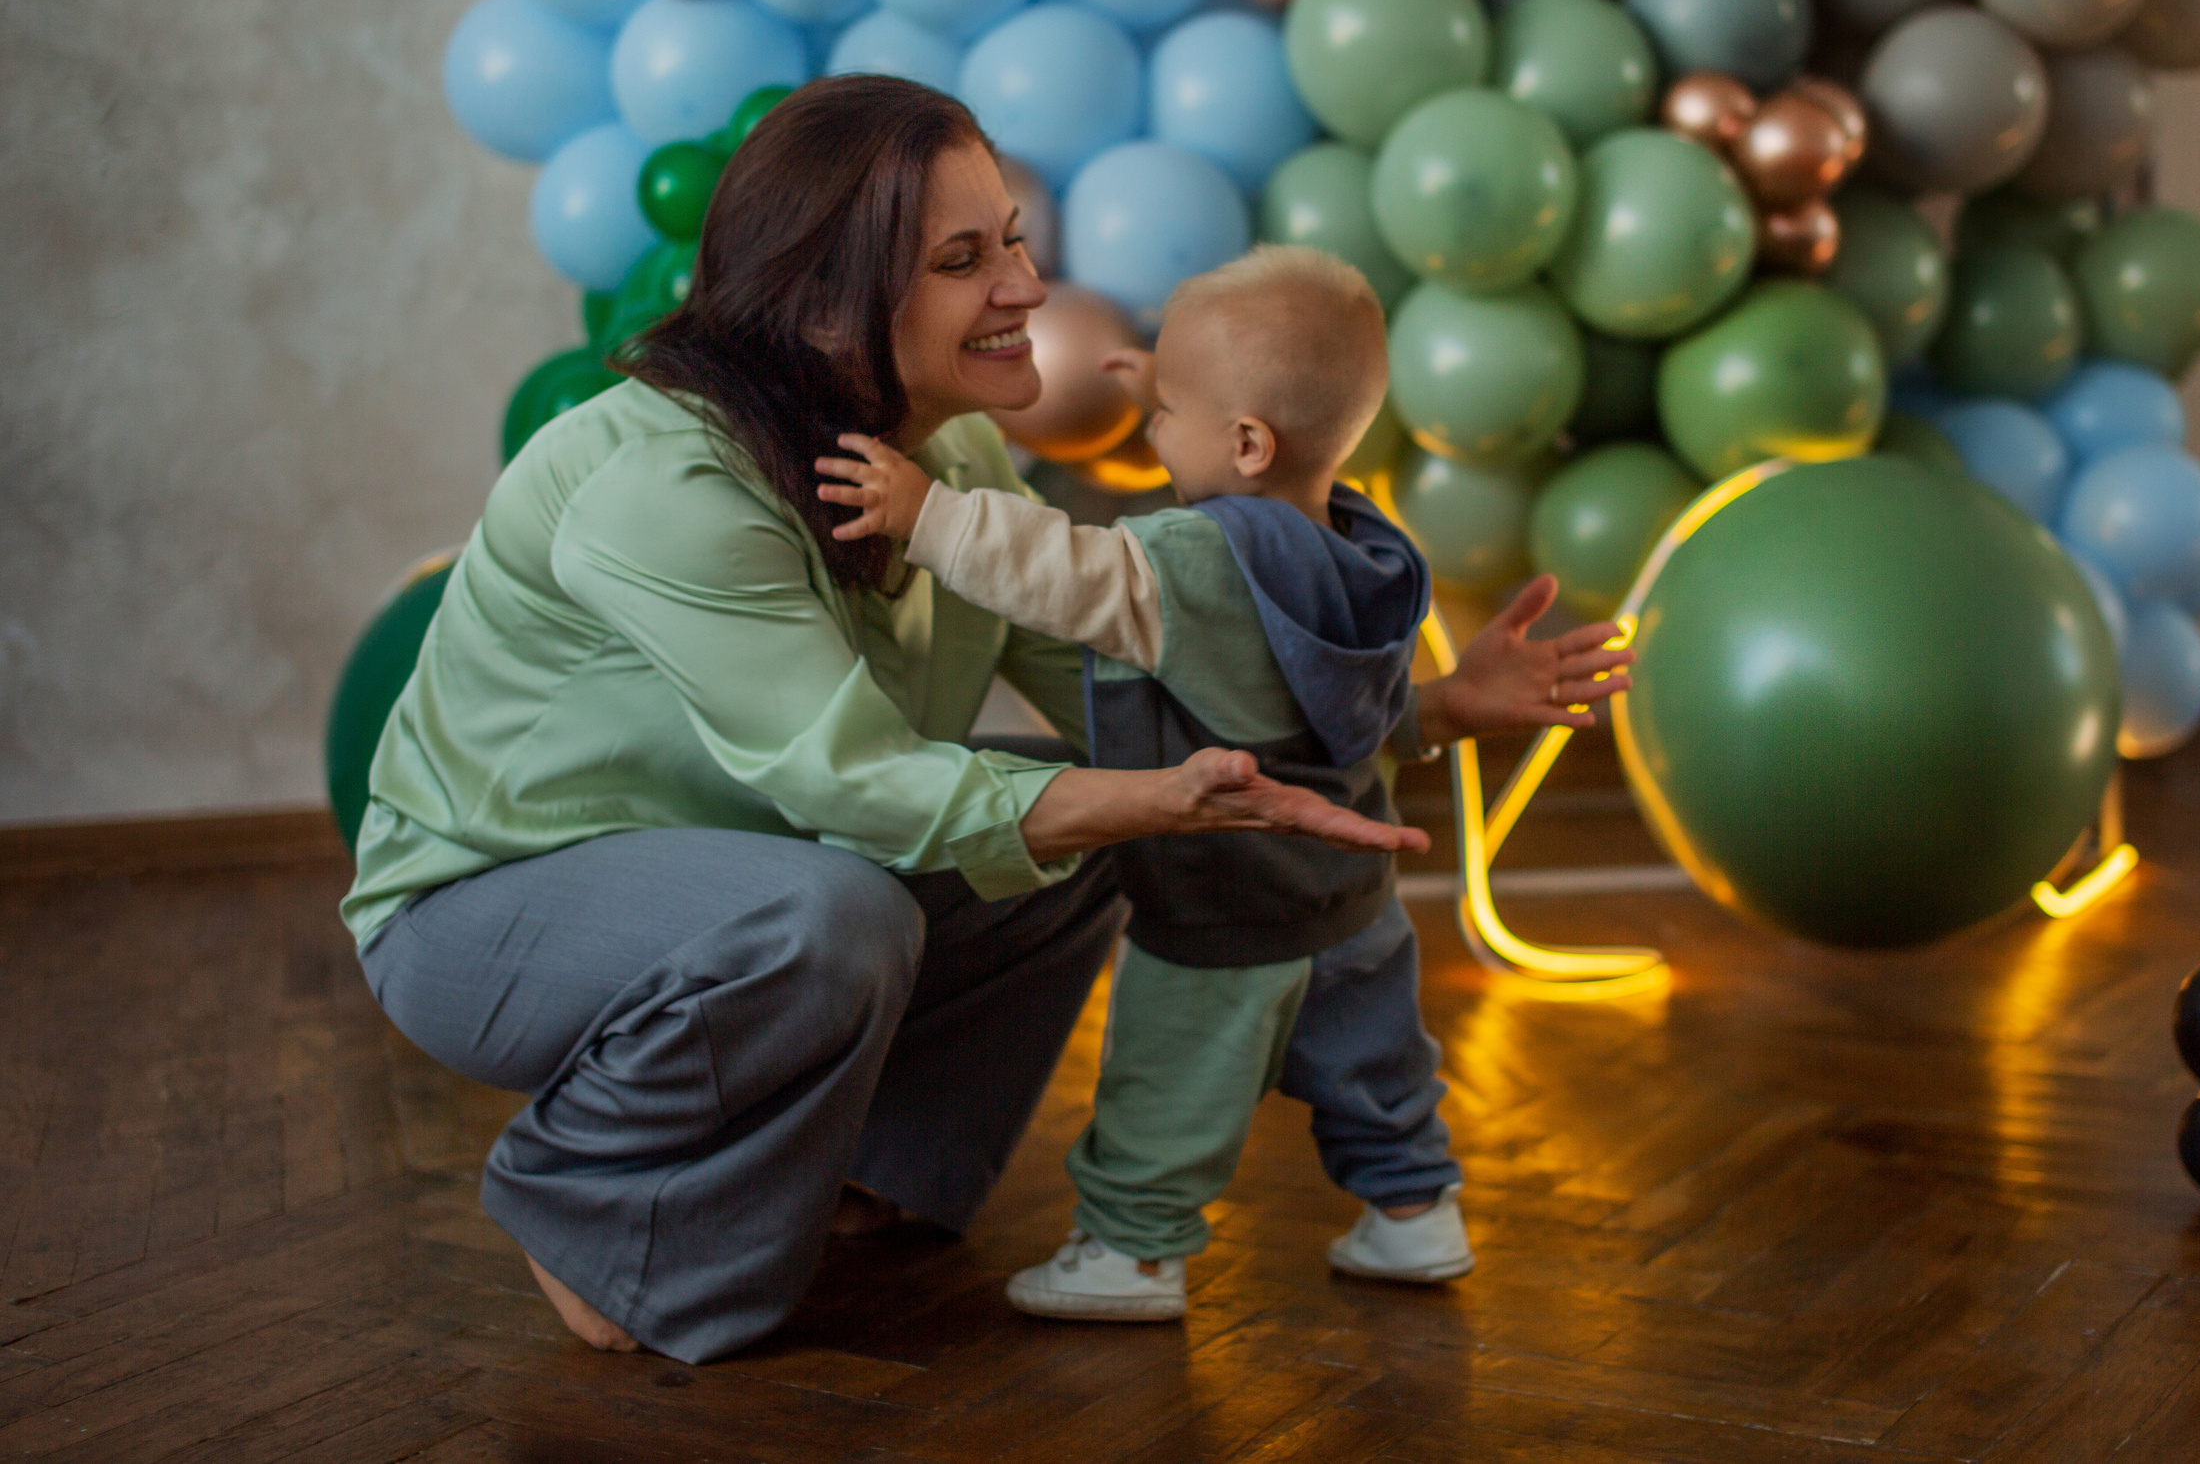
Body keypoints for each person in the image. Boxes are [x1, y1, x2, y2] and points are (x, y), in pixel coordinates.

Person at [341, 75, 1628, 1364]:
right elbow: (853, 783)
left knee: (1078, 829)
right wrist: (1152, 797)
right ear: (829, 300)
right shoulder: (666, 489)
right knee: (847, 910)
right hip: (488, 906)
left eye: (1010, 236)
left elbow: (1126, 694)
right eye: (964, 260)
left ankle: (866, 1170)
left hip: (755, 860)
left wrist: (1423, 713)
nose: (1024, 286)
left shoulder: (948, 458)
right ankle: (593, 1212)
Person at [819, 245, 1630, 1320]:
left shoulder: (1192, 563)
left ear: (1246, 441)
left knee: (1169, 1080)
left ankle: (1133, 1253)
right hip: (1351, 905)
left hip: (1226, 903)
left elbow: (1063, 573)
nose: (1152, 434)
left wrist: (927, 513)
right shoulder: (1368, 552)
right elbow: (1351, 722)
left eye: (1168, 414)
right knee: (1376, 1067)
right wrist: (1448, 708)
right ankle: (1413, 1214)